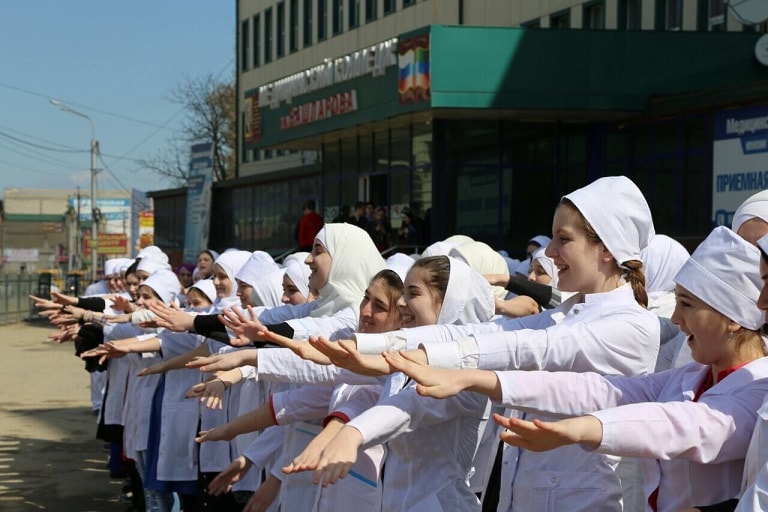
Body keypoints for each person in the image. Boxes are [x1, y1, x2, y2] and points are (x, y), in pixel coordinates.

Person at [307, 175, 659, 512]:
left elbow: (529, 348)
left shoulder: (630, 325)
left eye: (563, 239)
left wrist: (427, 366)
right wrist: (378, 350)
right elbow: (478, 335)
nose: (550, 252)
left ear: (607, 250)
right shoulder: (566, 314)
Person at [382, 226, 768, 512]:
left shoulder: (753, 388)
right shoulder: (690, 376)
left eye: (687, 305)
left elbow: (677, 425)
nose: (677, 319)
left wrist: (575, 429)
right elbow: (599, 390)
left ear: (732, 318)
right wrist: (474, 377)